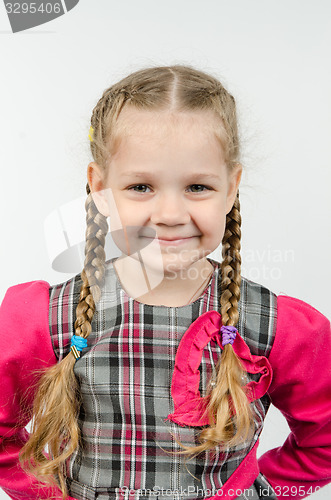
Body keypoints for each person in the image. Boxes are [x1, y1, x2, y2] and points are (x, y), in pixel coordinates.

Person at [0, 64, 330, 500]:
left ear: (231, 188)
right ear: (100, 188)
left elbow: (323, 442)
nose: (171, 213)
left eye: (197, 186)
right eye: (140, 187)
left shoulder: (278, 327)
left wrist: (265, 493)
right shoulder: (45, 319)